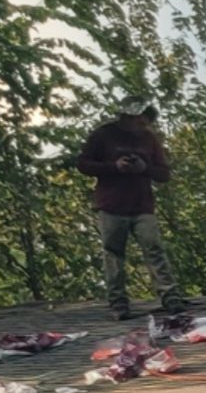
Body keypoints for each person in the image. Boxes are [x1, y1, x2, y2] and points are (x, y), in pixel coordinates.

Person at [75, 97, 188, 320]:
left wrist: (144, 168)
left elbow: (164, 173)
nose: (144, 125)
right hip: (111, 204)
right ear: (129, 117)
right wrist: (114, 167)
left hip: (142, 204)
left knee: (154, 248)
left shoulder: (149, 139)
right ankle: (118, 304)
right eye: (141, 120)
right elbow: (83, 164)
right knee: (113, 254)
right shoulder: (103, 135)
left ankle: (170, 297)